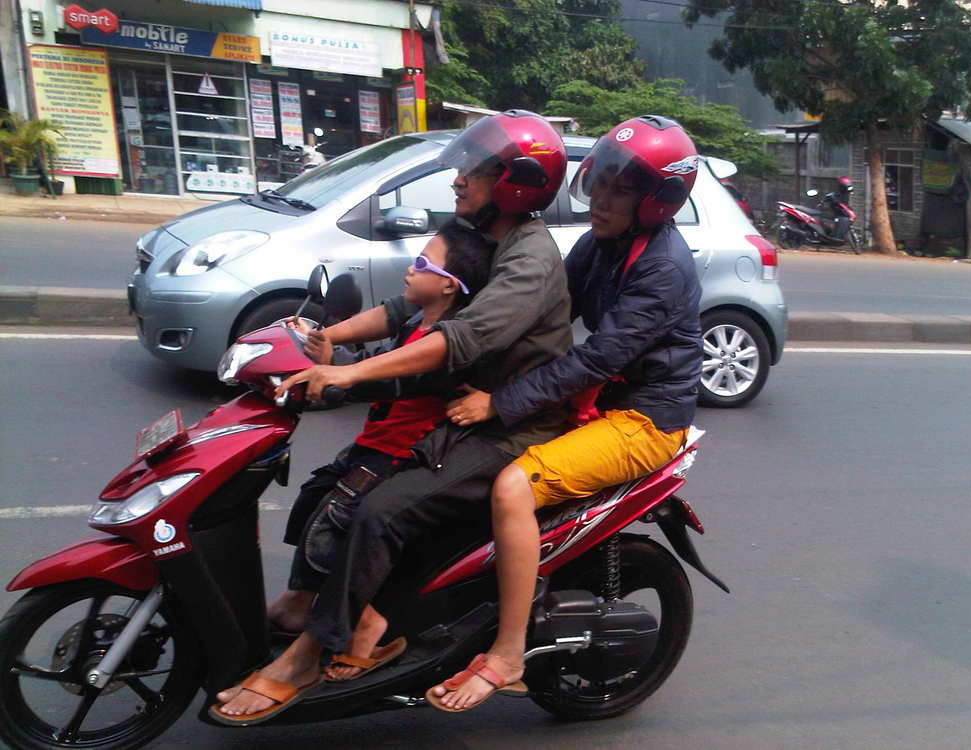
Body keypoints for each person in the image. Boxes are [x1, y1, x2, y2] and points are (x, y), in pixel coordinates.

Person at [213, 109, 570, 723]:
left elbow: (463, 338)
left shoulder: (529, 258)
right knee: (340, 482)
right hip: (459, 408)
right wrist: (328, 338)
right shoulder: (481, 234)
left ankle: (310, 654)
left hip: (509, 426)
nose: (460, 181)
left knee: (381, 508)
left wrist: (349, 373)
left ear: (515, 182)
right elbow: (409, 307)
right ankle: (320, 605)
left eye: (477, 172)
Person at [427, 116, 704, 711]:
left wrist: (499, 401)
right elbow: (547, 310)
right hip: (601, 402)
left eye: (620, 189)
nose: (601, 199)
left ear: (658, 201)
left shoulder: (662, 268)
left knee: (510, 490)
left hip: (644, 421)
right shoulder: (600, 242)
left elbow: (596, 359)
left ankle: (505, 655)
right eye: (601, 182)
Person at [269, 220, 493, 681]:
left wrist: (340, 374)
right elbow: (379, 343)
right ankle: (298, 601)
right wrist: (325, 344)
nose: (410, 270)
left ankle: (368, 619)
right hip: (376, 440)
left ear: (448, 285)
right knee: (314, 496)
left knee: (338, 519)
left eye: (422, 264)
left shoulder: (443, 343)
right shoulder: (415, 321)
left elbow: (388, 378)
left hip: (401, 452)